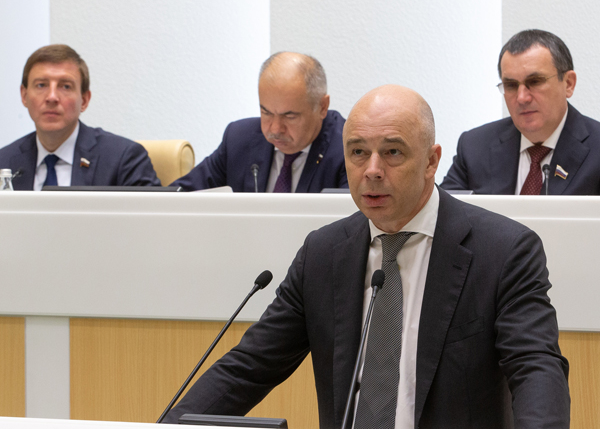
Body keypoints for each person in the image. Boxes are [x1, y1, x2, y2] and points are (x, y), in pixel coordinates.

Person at [162, 85, 570, 428]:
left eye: (392, 153)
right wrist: (166, 428)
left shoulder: (503, 251)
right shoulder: (324, 254)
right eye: (358, 152)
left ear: (431, 161)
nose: (372, 170)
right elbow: (249, 367)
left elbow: (536, 369)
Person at [441, 29, 600, 195]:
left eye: (535, 81)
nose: (522, 98)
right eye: (511, 85)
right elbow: (445, 209)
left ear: (568, 83)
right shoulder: (475, 147)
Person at [171, 52, 347, 192]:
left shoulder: (349, 150)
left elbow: (354, 222)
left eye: (290, 116)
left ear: (322, 107)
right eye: (266, 112)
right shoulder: (238, 139)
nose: (275, 129)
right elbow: (178, 199)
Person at [0, 44, 160, 190]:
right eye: (41, 85)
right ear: (24, 96)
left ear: (84, 100)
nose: (52, 97)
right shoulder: (4, 161)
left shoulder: (123, 159)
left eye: (65, 86)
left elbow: (153, 213)